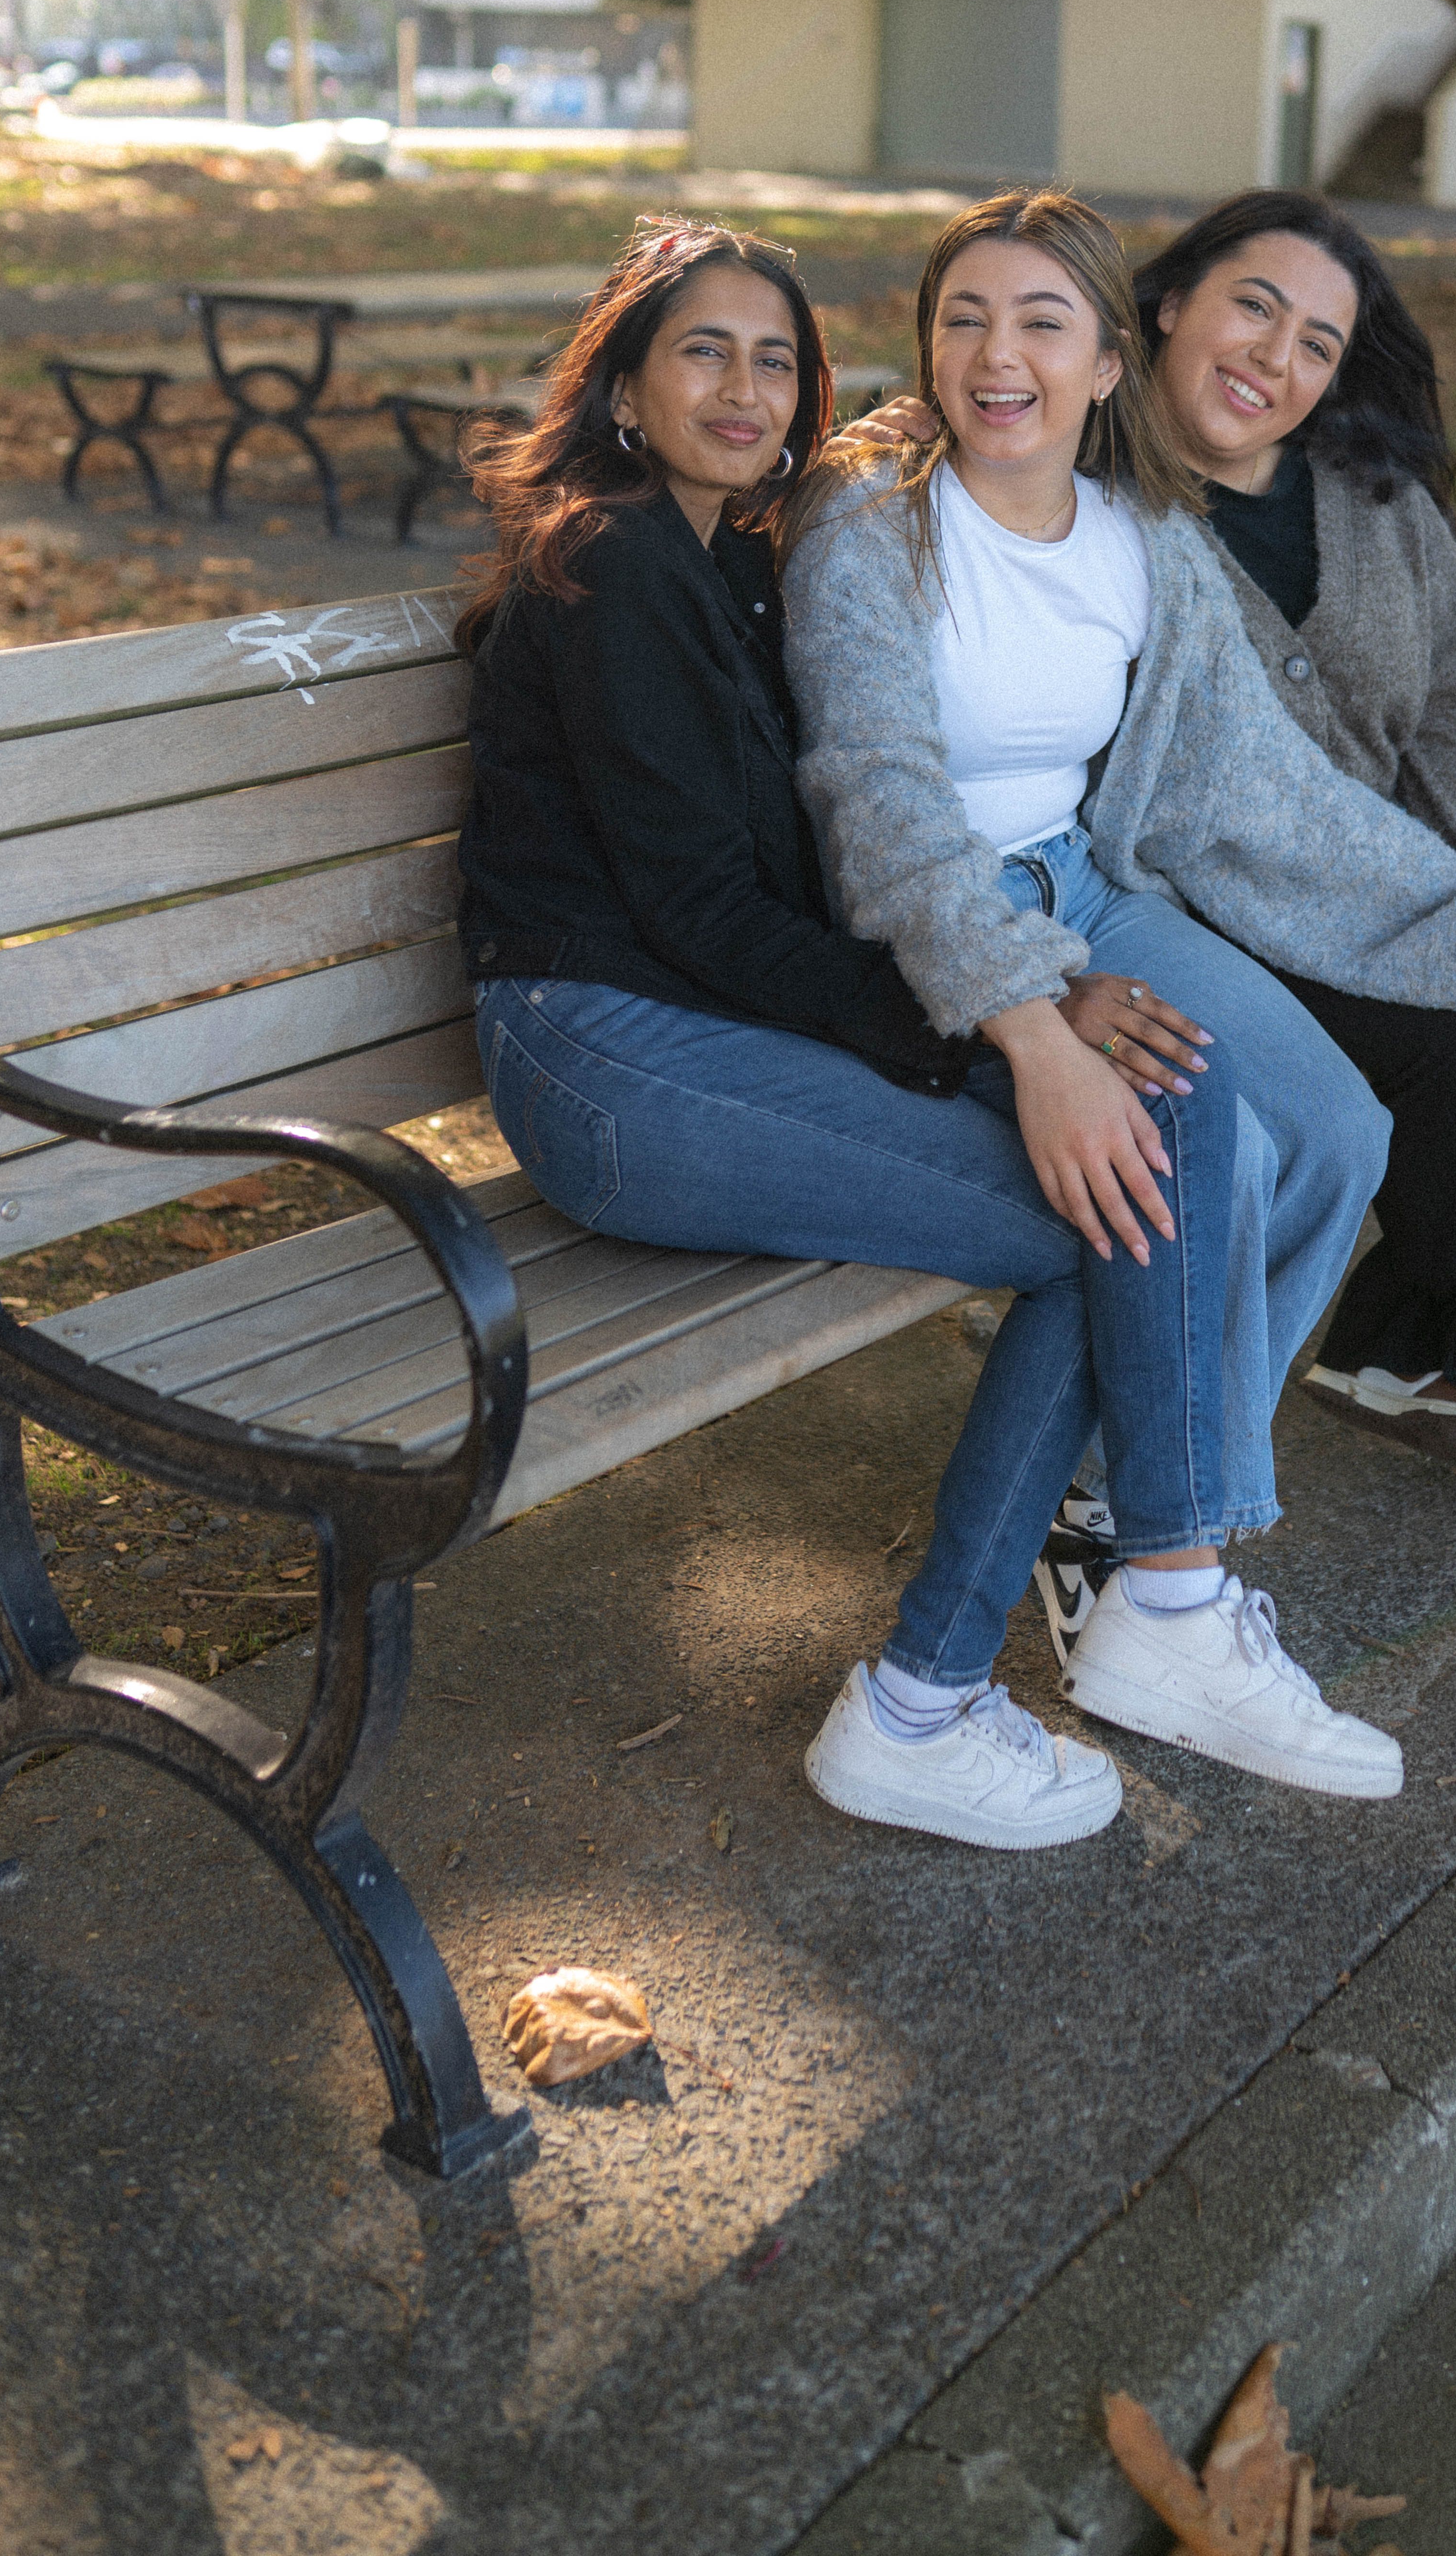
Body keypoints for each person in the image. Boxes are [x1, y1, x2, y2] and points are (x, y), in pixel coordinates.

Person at [455, 215, 1400, 1850]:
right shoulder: (612, 563)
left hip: (704, 1020)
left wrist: (1036, 1003)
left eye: (776, 358)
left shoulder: (724, 547)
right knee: (1101, 1198)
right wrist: (1003, 1028)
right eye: (703, 350)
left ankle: (1154, 1596)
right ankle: (944, 1688)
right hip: (610, 1059)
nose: (745, 388)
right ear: (624, 378)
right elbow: (703, 916)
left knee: (1164, 1110)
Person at [781, 188, 1456, 1687]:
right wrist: (1030, 1003)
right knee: (1206, 1157)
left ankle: (1117, 1508)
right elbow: (876, 796)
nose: (996, 354)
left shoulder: (1141, 534)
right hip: (966, 906)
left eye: (1040, 322)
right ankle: (1171, 1559)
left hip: (1093, 883)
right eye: (964, 318)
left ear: (1104, 365)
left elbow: (1273, 791)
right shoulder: (872, 519)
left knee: (1340, 1131)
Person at [1127, 189, 1456, 1531]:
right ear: (1172, 300)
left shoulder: (1370, 496)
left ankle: (1394, 1334)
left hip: (1374, 864)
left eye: (1315, 343)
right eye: (1254, 307)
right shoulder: (1099, 496)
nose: (1275, 359)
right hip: (1205, 896)